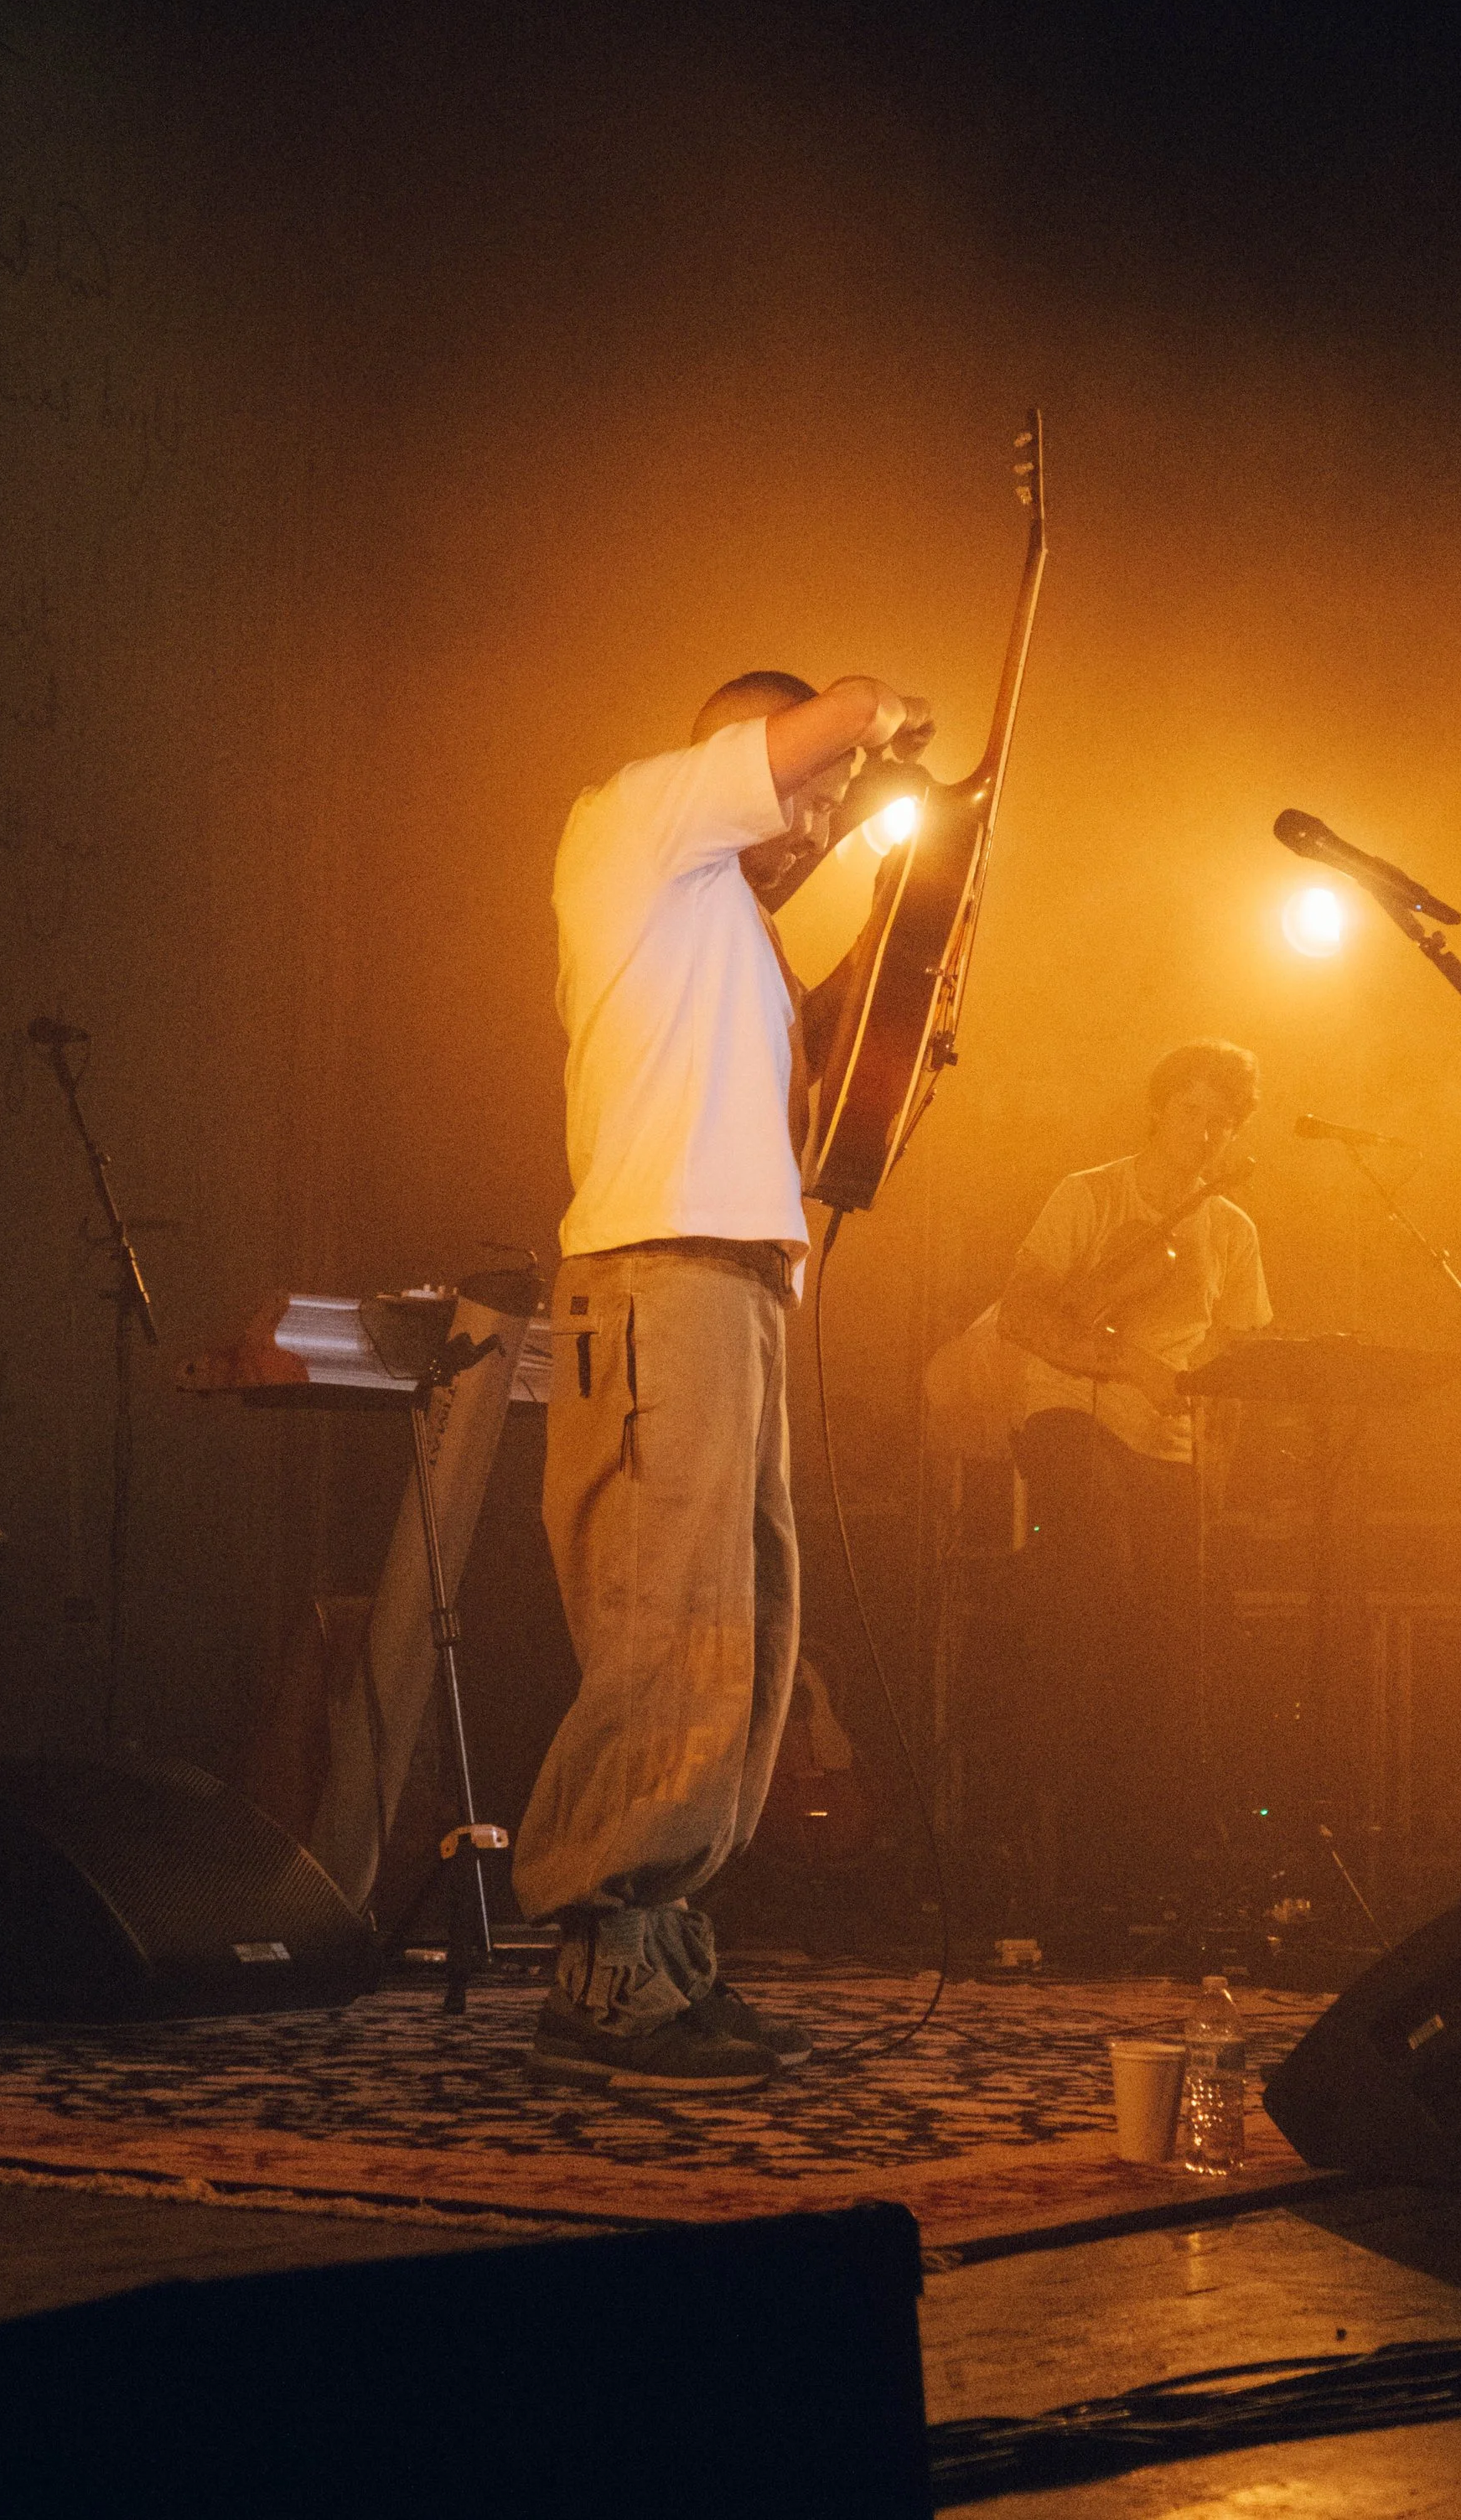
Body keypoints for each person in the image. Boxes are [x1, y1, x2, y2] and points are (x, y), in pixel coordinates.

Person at [514, 665, 932, 2087]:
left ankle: (665, 1931)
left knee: (741, 1629)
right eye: (804, 793)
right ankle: (601, 1951)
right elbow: (856, 701)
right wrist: (880, 727)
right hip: (659, 1273)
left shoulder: (736, 937)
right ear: (738, 752)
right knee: (669, 1615)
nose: (816, 820)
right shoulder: (636, 822)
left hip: (738, 1282)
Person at [995, 1040, 1270, 1917]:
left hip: (1165, 1444)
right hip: (1069, 1414)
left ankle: (1153, 1856)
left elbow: (1235, 1355)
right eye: (1191, 1110)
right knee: (1097, 1589)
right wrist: (1125, 1364)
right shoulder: (1089, 1193)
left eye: (1221, 1120)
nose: (1205, 1130)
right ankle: (1066, 1844)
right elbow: (1023, 1309)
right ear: (1159, 1110)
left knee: (1180, 1634)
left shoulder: (1232, 1229)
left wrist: (1218, 1466)